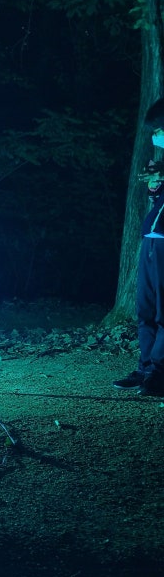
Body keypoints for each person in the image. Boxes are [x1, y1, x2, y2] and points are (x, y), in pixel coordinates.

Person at [114, 97, 164, 397]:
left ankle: (159, 373)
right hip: (152, 240)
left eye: (159, 130)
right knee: (146, 309)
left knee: (163, 311)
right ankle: (145, 367)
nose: (156, 136)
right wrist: (155, 184)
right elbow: (157, 200)